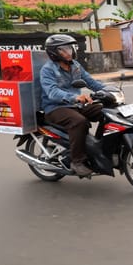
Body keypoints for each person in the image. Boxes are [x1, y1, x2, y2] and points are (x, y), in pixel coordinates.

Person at [40, 34, 105, 176]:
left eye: (70, 48)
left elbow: (91, 82)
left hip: (75, 105)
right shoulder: (48, 70)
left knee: (104, 111)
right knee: (79, 122)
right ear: (54, 52)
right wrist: (75, 97)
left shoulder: (75, 65)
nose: (69, 52)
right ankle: (77, 161)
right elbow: (52, 92)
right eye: (64, 50)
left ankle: (102, 149)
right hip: (55, 108)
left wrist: (108, 91)